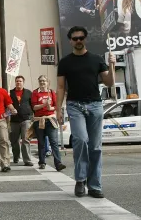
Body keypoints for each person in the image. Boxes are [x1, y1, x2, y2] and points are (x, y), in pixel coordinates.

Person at [57, 26, 116, 198]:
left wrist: (111, 64)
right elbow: (60, 87)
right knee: (81, 140)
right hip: (75, 105)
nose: (78, 41)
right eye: (75, 38)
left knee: (95, 147)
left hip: (95, 105)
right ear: (70, 41)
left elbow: (110, 82)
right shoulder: (65, 62)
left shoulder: (97, 59)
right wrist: (58, 109)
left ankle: (95, 185)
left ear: (85, 38)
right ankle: (80, 179)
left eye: (81, 37)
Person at [31, 75, 66, 171]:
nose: (42, 83)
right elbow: (34, 107)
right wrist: (44, 105)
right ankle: (42, 162)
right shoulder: (35, 93)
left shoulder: (51, 92)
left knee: (54, 141)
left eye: (44, 81)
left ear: (47, 82)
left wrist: (51, 108)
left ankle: (58, 163)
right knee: (41, 142)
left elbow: (56, 105)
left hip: (50, 119)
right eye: (40, 81)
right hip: (40, 119)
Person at [9, 76, 34, 166]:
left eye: (20, 81)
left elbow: (32, 105)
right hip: (14, 120)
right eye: (17, 81)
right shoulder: (10, 93)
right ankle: (16, 156)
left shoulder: (28, 93)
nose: (18, 82)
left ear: (23, 82)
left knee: (26, 139)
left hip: (26, 119)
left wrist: (32, 116)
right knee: (14, 140)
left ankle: (27, 160)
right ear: (15, 82)